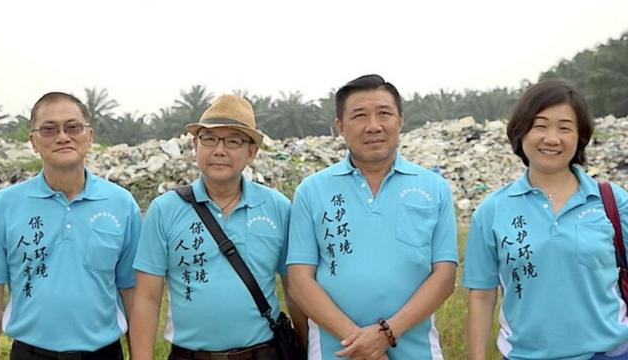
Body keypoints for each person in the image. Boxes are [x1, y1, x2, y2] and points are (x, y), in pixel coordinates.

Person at [286, 74, 458, 359]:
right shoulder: (312, 190)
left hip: (416, 350)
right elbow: (300, 281)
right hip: (335, 351)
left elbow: (444, 276)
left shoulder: (434, 188)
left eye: (384, 113)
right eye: (360, 116)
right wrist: (358, 341)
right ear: (340, 126)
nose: (374, 126)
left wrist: (386, 334)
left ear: (400, 120)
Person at [130, 94, 306, 360]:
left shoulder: (277, 207)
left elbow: (295, 290)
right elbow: (147, 297)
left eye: (233, 141)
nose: (219, 150)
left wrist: (305, 350)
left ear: (251, 152)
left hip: (262, 354)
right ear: (195, 145)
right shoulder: (165, 210)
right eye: (209, 139)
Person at [463, 79, 628, 360]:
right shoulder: (491, 210)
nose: (552, 138)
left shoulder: (612, 201)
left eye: (565, 128)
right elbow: (481, 296)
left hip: (609, 353)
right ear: (521, 131)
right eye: (540, 125)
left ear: (580, 137)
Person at [0, 92, 142, 360]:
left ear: (90, 136)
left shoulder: (122, 204)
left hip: (103, 354)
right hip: (30, 353)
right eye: (49, 129)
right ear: (33, 141)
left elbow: (132, 291)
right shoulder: (2, 206)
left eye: (73, 127)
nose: (62, 137)